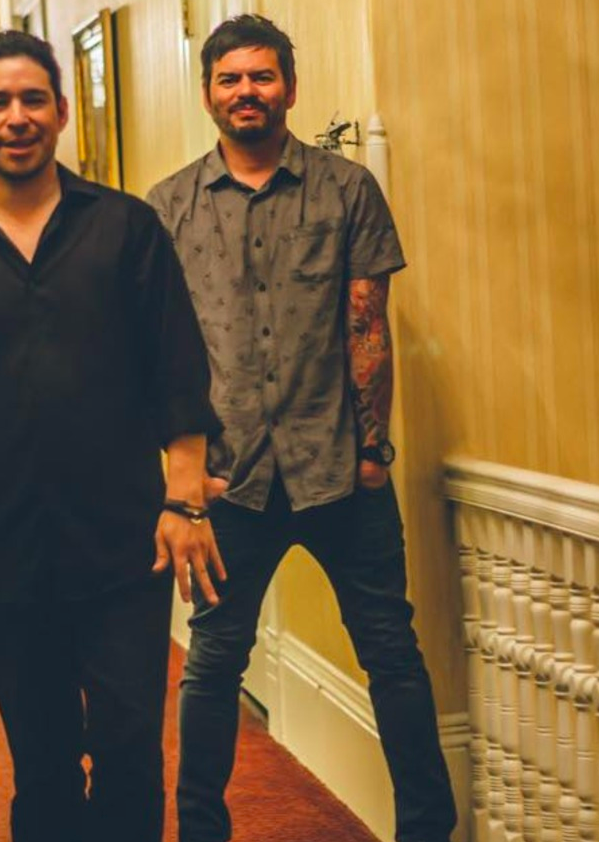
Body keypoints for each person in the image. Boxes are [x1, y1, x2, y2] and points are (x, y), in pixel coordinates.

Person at [0, 30, 223, 842]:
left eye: (33, 99)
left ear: (63, 111)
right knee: (40, 763)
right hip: (9, 552)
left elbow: (179, 374)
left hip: (127, 546)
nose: (18, 117)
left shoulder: (127, 229)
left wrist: (185, 502)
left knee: (129, 751)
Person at [147, 14, 457, 842]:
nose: (246, 91)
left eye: (262, 75)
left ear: (290, 85)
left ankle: (428, 828)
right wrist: (183, 477)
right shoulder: (168, 208)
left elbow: (368, 324)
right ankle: (202, 831)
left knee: (391, 654)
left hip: (341, 473)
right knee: (214, 663)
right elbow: (159, 352)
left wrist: (372, 449)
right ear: (207, 93)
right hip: (228, 482)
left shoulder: (347, 190)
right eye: (230, 78)